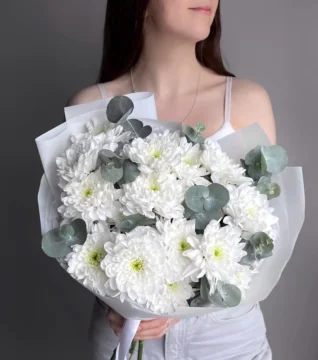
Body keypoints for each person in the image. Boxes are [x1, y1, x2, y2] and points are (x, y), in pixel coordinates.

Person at [67, 1, 276, 359]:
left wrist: (184, 296)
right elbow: (78, 238)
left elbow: (265, 237)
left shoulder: (244, 102)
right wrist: (114, 301)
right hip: (128, 336)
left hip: (224, 340)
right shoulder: (91, 106)